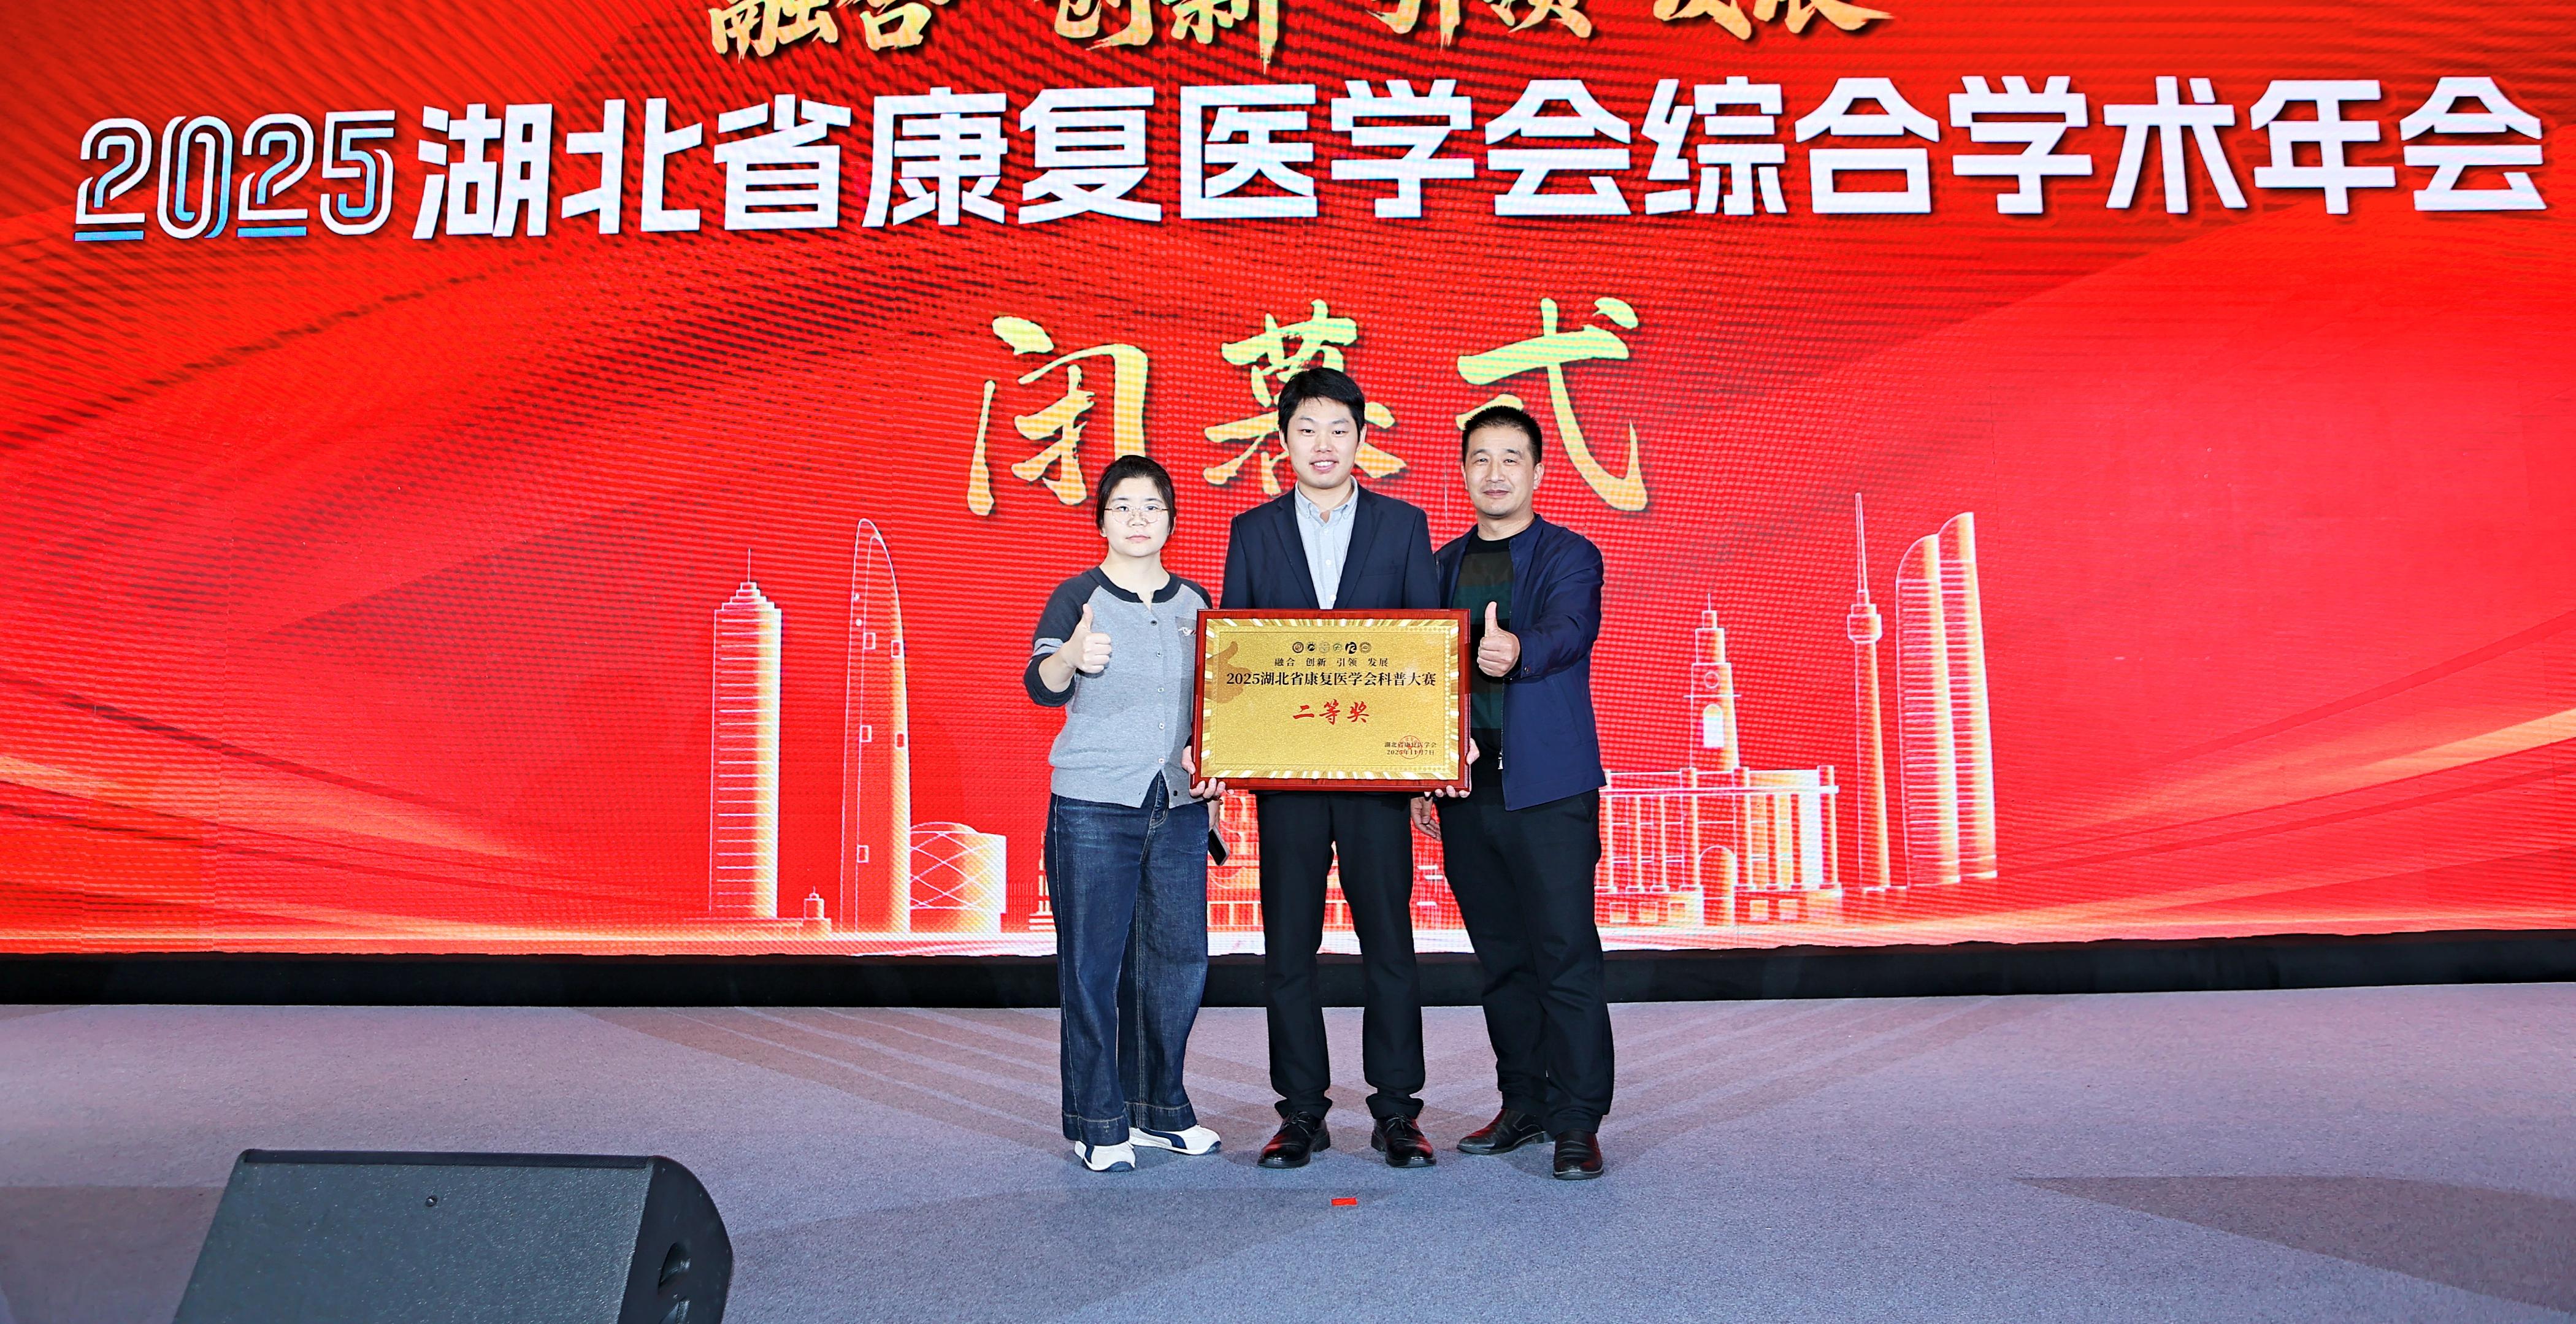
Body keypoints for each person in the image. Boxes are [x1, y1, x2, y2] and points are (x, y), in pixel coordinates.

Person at [1219, 366, 1444, 1169]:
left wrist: (1425, 765)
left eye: (1339, 429)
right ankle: (1302, 1111)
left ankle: (1398, 1111)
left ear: (1361, 438)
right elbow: (1236, 659)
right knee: (1289, 946)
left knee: (1389, 942)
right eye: (1307, 429)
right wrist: (1227, 752)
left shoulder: (1404, 526)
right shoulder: (1253, 531)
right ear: (1283, 440)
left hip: (1377, 778)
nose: (1324, 444)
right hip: (1287, 778)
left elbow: (1424, 652)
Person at [1413, 403, 1615, 1180]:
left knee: (1565, 954)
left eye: (1511, 458)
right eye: (1480, 459)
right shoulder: (1439, 566)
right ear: (1463, 471)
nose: (1494, 473)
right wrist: (1422, 773)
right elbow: (1418, 675)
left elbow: (1573, 629)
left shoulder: (1570, 553)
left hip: (1549, 788)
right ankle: (1524, 1103)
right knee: (1500, 959)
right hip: (1469, 790)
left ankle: (1578, 1119)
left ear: (1537, 471)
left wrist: (1518, 649)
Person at [1025, 455, 1227, 1173]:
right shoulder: (1077, 596)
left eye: (1152, 506)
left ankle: (1159, 1108)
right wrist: (1072, 655)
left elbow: (1215, 702)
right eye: (1122, 506)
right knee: (1092, 968)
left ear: (1171, 519)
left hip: (1179, 805)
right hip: (1093, 806)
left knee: (1176, 962)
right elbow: (1042, 684)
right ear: (1102, 520)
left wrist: (1216, 769)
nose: (1138, 519)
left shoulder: (1196, 601)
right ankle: (1098, 1118)